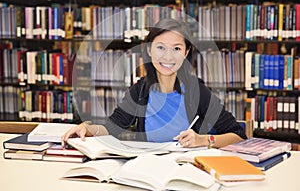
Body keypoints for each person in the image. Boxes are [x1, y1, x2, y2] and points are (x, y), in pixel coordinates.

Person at [62, 18, 247, 148]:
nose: (168, 56)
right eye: (160, 48)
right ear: (149, 50)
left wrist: (204, 140)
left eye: (176, 48)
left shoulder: (196, 90)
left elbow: (238, 134)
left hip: (187, 172)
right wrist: (86, 128)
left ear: (186, 52)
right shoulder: (140, 90)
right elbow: (112, 127)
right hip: (148, 171)